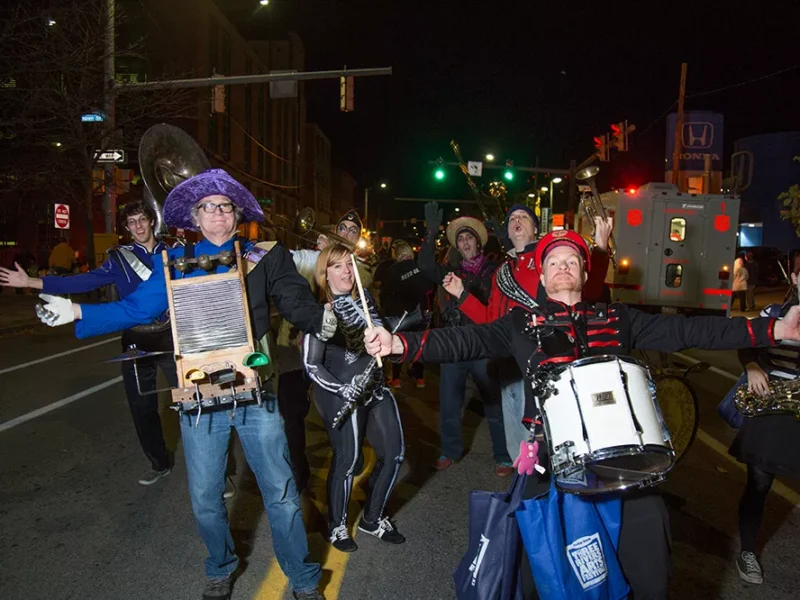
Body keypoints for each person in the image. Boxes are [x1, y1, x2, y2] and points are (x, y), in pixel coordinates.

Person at [365, 229, 800, 599]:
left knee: (650, 559)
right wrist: (402, 345)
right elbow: (465, 342)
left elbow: (690, 330)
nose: (563, 266)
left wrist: (774, 328)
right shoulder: (521, 324)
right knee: (542, 564)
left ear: (584, 272)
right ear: (542, 274)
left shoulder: (616, 316)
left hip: (623, 460)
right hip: (551, 460)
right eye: (553, 261)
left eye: (572, 259)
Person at [34, 169, 330, 600]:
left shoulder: (265, 257)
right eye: (207, 207)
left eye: (225, 206)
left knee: (282, 494)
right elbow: (137, 308)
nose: (217, 215)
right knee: (206, 499)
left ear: (236, 213)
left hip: (255, 392)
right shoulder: (173, 261)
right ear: (195, 216)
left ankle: (302, 581)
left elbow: (297, 303)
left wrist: (329, 320)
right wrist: (78, 313)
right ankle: (220, 566)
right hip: (199, 394)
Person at [1, 201, 178, 486]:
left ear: (151, 220)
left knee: (195, 399)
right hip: (136, 337)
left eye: (142, 219)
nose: (138, 226)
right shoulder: (119, 258)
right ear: (126, 228)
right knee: (141, 406)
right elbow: (83, 282)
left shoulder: (175, 251)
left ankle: (218, 470)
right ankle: (159, 462)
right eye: (131, 222)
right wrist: (34, 282)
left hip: (174, 337)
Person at [441, 204, 611, 459]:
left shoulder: (550, 260)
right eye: (511, 219)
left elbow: (588, 290)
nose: (516, 221)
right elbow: (490, 320)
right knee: (521, 451)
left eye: (523, 217)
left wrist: (599, 249)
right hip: (511, 368)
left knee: (561, 447)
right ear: (508, 232)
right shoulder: (503, 272)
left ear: (535, 228)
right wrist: (462, 295)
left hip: (551, 364)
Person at [302, 243, 406, 553]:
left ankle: (372, 519)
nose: (346, 271)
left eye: (349, 264)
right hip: (340, 393)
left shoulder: (366, 299)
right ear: (324, 273)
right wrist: (342, 389)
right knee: (346, 461)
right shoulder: (320, 310)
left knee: (394, 454)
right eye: (337, 266)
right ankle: (336, 525)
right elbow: (311, 364)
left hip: (375, 387)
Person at [418, 202, 512, 476]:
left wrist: (504, 236)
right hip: (455, 344)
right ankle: (451, 450)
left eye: (470, 237)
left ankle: (503, 455)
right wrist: (431, 233)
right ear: (457, 246)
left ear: (479, 243)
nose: (465, 241)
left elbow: (518, 265)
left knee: (493, 403)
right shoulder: (450, 272)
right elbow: (424, 264)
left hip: (484, 343)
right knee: (449, 403)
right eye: (461, 238)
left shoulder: (495, 270)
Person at [726, 251, 800, 585]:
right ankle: (748, 552)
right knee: (759, 484)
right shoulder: (774, 312)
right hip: (773, 403)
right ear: (795, 279)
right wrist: (753, 366)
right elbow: (746, 343)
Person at [380, 239, 434, 388]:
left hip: (400, 316)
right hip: (419, 313)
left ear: (397, 254)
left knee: (399, 344)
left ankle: (396, 379)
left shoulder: (392, 270)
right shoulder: (420, 267)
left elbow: (385, 294)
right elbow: (430, 287)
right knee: (418, 345)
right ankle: (420, 378)